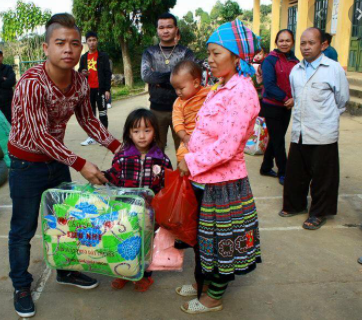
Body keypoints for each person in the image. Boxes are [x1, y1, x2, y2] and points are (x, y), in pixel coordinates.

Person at [7, 13, 121, 318]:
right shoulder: (31, 83)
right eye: (60, 43)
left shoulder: (81, 81)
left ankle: (66, 270)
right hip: (26, 164)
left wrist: (118, 148)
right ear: (46, 48)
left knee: (65, 224)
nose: (68, 49)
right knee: (23, 229)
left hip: (56, 162)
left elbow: (87, 120)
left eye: (74, 43)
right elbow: (39, 135)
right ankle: (20, 285)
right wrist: (81, 162)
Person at [177, 19, 262, 314]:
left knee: (220, 241)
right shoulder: (220, 86)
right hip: (203, 178)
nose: (209, 60)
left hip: (224, 183)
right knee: (203, 238)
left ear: (236, 56)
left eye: (216, 54)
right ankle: (201, 281)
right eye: (208, 53)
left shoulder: (242, 92)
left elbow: (227, 147)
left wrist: (190, 161)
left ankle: (213, 296)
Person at [279, 27, 349, 230]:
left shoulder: (333, 69)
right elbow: (297, 96)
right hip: (300, 131)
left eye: (311, 43)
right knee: (296, 173)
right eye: (303, 43)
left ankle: (319, 213)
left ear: (323, 45)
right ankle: (296, 205)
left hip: (323, 132)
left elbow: (342, 100)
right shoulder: (296, 71)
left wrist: (327, 119)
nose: (306, 47)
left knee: (323, 177)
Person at [103, 108, 172, 292]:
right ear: (129, 133)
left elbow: (167, 187)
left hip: (150, 215)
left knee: (146, 245)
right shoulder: (122, 157)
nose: (142, 136)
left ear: (155, 132)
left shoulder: (162, 160)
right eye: (136, 131)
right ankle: (122, 273)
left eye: (147, 130)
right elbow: (112, 178)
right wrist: (99, 176)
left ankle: (144, 276)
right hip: (124, 213)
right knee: (123, 241)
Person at [141, 13, 195, 152]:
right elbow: (146, 75)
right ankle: (160, 175)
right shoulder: (150, 53)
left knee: (184, 151)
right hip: (157, 110)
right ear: (157, 30)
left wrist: (159, 79)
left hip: (183, 109)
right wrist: (176, 77)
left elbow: (189, 76)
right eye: (161, 27)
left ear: (176, 29)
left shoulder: (185, 53)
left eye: (169, 27)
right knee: (155, 152)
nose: (165, 31)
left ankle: (182, 175)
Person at [259, 30, 299, 185]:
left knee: (277, 138)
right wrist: (286, 98)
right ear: (276, 42)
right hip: (272, 107)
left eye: (288, 40)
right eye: (281, 40)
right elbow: (268, 85)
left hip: (287, 107)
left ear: (292, 42)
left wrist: (293, 99)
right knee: (279, 141)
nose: (284, 43)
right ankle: (284, 172)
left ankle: (266, 166)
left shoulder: (295, 61)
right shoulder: (270, 60)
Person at [170, 60, 211, 163]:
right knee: (182, 157)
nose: (178, 92)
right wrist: (184, 137)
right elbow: (177, 122)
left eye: (181, 88)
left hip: (209, 136)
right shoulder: (179, 103)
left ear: (196, 83)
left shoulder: (209, 92)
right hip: (190, 138)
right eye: (175, 89)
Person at [78, 31, 112, 146]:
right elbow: (79, 72)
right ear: (86, 42)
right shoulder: (83, 57)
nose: (92, 43)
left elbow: (108, 73)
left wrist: (107, 89)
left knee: (102, 113)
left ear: (97, 41)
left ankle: (104, 136)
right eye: (89, 40)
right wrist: (82, 72)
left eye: (94, 40)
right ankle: (91, 136)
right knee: (90, 115)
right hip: (88, 90)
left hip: (100, 89)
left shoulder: (103, 56)